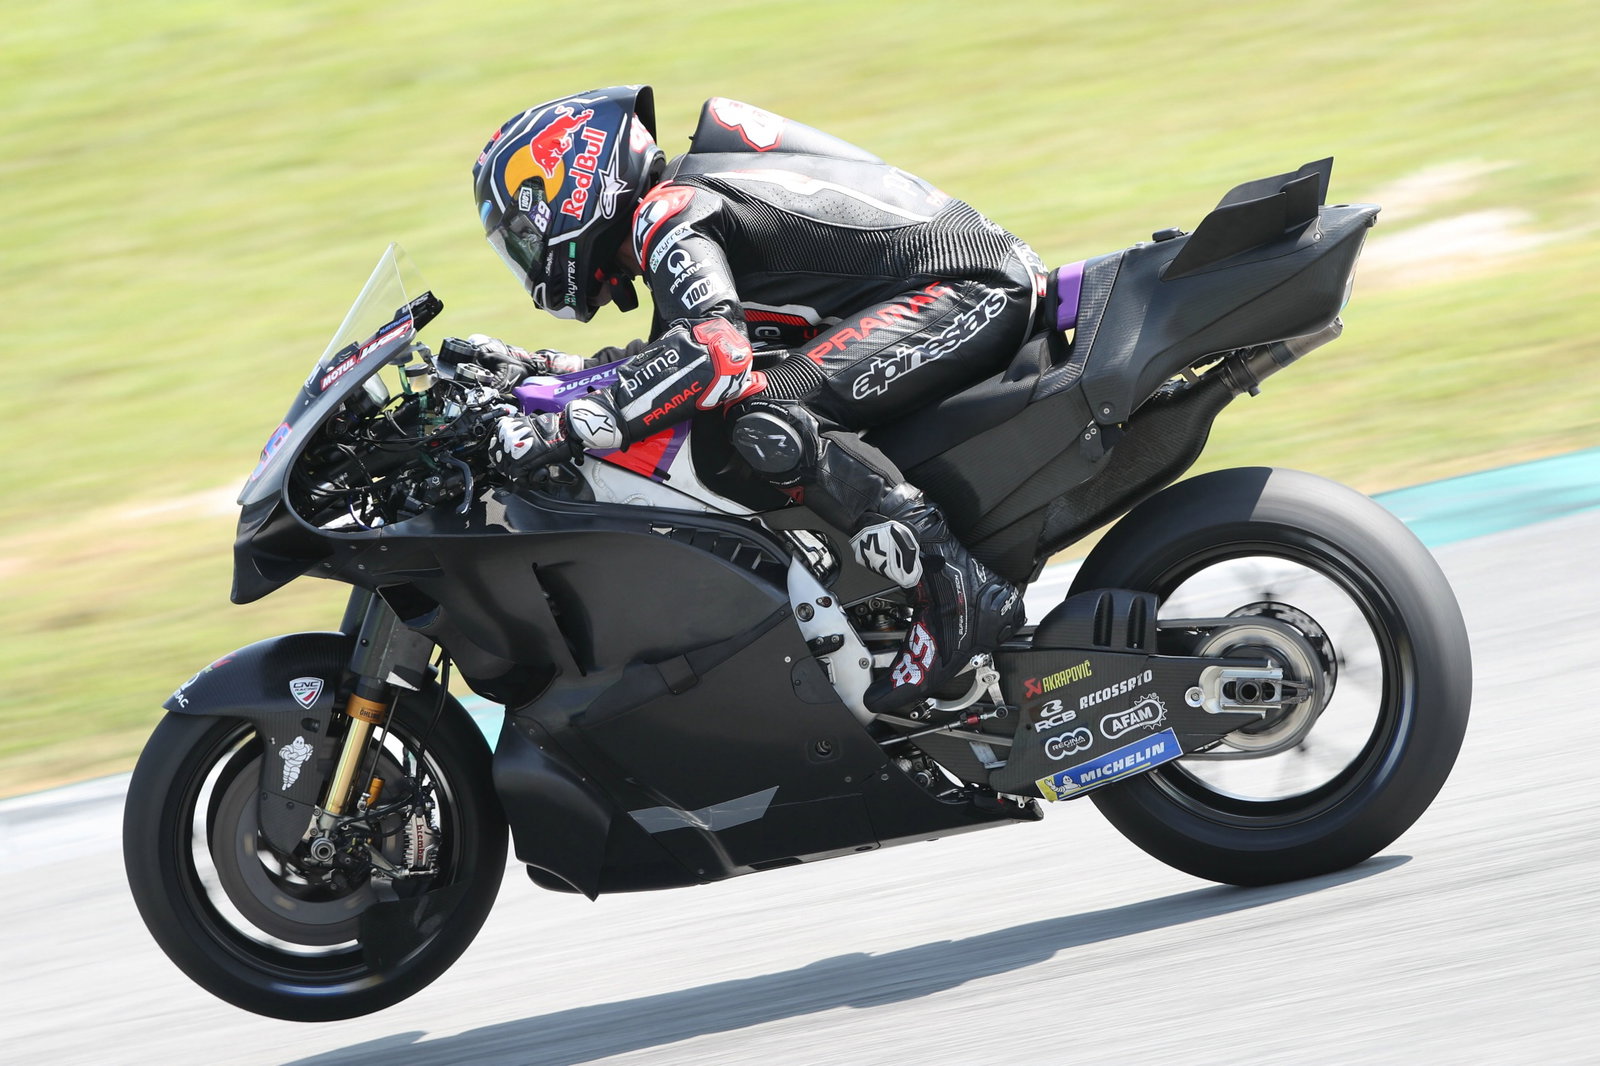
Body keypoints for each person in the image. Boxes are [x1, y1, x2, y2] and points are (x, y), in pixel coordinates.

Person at [470, 85, 1045, 714]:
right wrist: (548, 370)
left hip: (970, 290)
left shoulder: (669, 213)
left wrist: (571, 430)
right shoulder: (678, 207)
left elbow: (715, 352)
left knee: (762, 416)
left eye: (526, 232)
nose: (529, 254)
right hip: (960, 285)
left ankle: (953, 584)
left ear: (573, 185)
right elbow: (670, 354)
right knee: (730, 401)